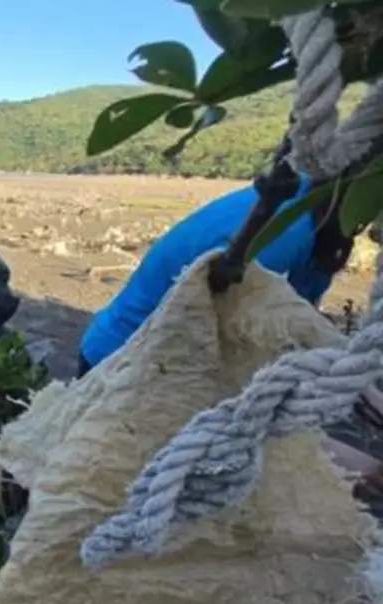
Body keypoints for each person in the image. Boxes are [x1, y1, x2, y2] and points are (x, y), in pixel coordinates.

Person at [75, 176, 383, 489]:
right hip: (126, 364)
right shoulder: (282, 234)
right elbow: (235, 374)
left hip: (171, 361)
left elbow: (303, 321)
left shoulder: (318, 217)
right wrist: (359, 458)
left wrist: (358, 385)